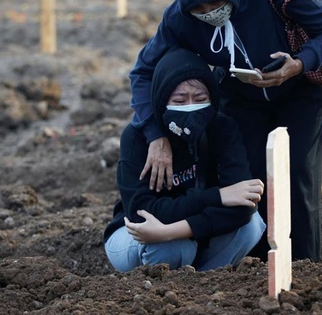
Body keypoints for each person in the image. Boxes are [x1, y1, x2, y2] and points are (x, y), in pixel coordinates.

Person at [129, 0, 322, 261]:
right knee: (250, 179)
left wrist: (299, 64)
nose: (209, 13)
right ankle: (259, 267)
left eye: (214, 3)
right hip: (241, 95)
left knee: (297, 172)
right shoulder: (180, 18)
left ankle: (305, 264)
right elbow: (143, 72)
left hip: (300, 89)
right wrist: (155, 134)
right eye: (199, 9)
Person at [104, 48, 266, 272]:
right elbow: (142, 212)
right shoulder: (137, 138)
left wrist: (171, 230)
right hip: (136, 234)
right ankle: (155, 289)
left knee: (251, 224)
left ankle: (202, 283)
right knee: (174, 247)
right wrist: (218, 196)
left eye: (200, 99)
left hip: (180, 233)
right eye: (179, 100)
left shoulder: (223, 129)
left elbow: (242, 207)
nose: (190, 106)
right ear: (161, 99)